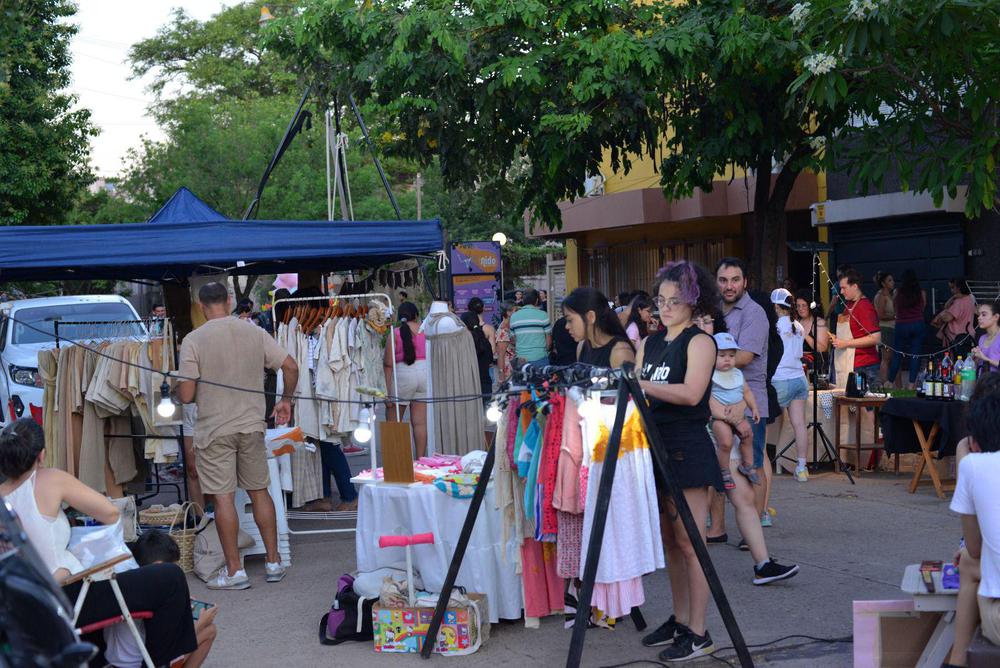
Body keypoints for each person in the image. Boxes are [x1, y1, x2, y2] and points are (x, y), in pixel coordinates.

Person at [0, 418, 202, 667]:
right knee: (169, 577)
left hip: (23, 608)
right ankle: (160, 661)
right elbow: (110, 513)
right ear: (41, 455)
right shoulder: (50, 479)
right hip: (67, 597)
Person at [178, 282, 297, 590]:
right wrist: (286, 400)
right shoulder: (254, 331)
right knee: (260, 491)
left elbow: (188, 395)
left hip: (214, 429)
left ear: (201, 306)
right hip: (251, 425)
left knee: (223, 498)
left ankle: (235, 571)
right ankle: (273, 562)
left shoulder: (193, 340)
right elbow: (290, 365)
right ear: (229, 301)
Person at [636, 261, 722, 662]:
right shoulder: (648, 343)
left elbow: (691, 394)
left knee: (692, 543)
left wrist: (641, 385)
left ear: (692, 302)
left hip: (687, 445)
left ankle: (699, 630)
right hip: (653, 445)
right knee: (671, 542)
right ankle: (680, 617)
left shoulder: (700, 342)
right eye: (661, 300)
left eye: (675, 301)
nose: (665, 307)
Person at [946, 374, 1000, 666]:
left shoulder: (974, 465)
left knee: (968, 561)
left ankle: (956, 658)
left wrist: (963, 457)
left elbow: (975, 548)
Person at [716, 258, 771, 523]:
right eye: (724, 280)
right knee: (719, 463)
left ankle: (755, 526)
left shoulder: (754, 312)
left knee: (753, 465)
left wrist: (702, 361)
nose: (729, 286)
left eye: (735, 279)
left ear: (745, 282)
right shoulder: (714, 311)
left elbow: (746, 356)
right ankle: (716, 528)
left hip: (748, 402)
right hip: (716, 399)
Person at [131, 531, 218, 668]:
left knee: (209, 630)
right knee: (207, 629)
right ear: (160, 567)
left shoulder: (137, 587)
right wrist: (200, 623)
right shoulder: (154, 592)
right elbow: (169, 645)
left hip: (137, 656)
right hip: (149, 661)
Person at [708, 332, 760, 489]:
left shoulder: (737, 374)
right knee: (725, 441)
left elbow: (747, 392)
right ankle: (724, 471)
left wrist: (754, 407)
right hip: (718, 418)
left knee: (748, 434)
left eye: (731, 355)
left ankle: (748, 465)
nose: (727, 359)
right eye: (722, 355)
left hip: (739, 415)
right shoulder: (710, 374)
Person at [770, 288, 811, 482]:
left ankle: (757, 465)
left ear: (777, 306)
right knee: (799, 424)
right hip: (799, 379)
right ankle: (802, 468)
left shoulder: (775, 326)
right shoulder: (799, 326)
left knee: (761, 419)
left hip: (780, 379)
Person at [384, 302, 429, 458]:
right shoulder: (425, 331)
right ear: (416, 315)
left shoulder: (394, 333)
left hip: (403, 373)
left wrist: (387, 392)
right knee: (420, 423)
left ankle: (398, 461)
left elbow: (388, 364)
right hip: (424, 374)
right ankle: (421, 459)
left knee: (394, 421)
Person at [831, 268, 882, 388]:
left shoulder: (864, 307)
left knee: (863, 405)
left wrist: (845, 343)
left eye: (844, 288)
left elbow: (876, 338)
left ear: (854, 286)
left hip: (865, 366)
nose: (841, 292)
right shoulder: (849, 304)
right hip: (850, 363)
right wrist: (837, 339)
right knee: (850, 405)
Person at [562, 287, 635, 369]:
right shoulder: (582, 346)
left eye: (570, 320)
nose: (567, 326)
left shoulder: (620, 352)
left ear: (590, 317)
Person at [888, 269, 927, 388]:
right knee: (915, 355)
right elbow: (923, 307)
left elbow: (894, 307)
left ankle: (890, 382)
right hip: (917, 323)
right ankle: (911, 384)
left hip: (902, 324)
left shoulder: (897, 292)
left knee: (897, 354)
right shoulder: (921, 292)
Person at [933, 277, 976, 354]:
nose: (951, 290)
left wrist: (941, 315)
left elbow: (947, 318)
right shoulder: (970, 299)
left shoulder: (958, 302)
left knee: (956, 359)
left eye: (953, 287)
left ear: (959, 288)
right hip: (968, 334)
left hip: (957, 336)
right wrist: (953, 297)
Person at [509, 288, 551, 366]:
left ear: (523, 301)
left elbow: (513, 340)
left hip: (521, 360)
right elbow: (548, 342)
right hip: (540, 358)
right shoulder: (543, 315)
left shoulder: (514, 316)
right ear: (537, 300)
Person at [461, 310, 494, 407]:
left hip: (469, 386)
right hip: (485, 385)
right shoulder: (484, 341)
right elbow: (490, 361)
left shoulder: (462, 344)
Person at [795, 290, 829, 377]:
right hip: (796, 367)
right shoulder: (796, 322)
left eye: (803, 305)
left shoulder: (820, 322)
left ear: (810, 306)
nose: (800, 309)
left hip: (814, 369)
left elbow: (823, 348)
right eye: (798, 306)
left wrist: (805, 335)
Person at [873, 271, 896, 383]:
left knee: (894, 357)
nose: (893, 282)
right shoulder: (881, 296)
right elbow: (880, 315)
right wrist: (895, 316)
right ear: (883, 283)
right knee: (886, 358)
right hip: (885, 328)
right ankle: (885, 383)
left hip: (892, 328)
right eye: (889, 280)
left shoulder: (890, 295)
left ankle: (896, 385)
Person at [972, 300, 1000, 374]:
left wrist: (984, 358)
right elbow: (978, 365)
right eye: (979, 314)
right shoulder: (982, 338)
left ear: (996, 317)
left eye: (984, 315)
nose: (979, 318)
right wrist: (975, 358)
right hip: (983, 382)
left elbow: (984, 358)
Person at [495, 303, 517, 381]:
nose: (518, 313)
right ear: (508, 313)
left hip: (514, 368)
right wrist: (502, 376)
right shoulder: (503, 330)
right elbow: (501, 355)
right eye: (515, 311)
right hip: (508, 371)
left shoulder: (509, 326)